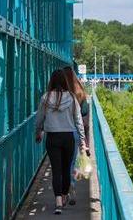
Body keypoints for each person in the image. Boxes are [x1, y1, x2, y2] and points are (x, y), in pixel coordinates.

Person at [35, 69, 89, 215]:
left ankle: (58, 201)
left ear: (51, 81)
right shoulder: (71, 98)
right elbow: (78, 120)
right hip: (68, 138)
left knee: (56, 170)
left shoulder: (45, 98)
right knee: (66, 169)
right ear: (65, 82)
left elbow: (39, 118)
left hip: (52, 137)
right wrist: (82, 140)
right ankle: (64, 195)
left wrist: (38, 132)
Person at [62, 66, 91, 205]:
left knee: (60, 164)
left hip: (60, 131)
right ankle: (71, 186)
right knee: (72, 163)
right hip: (75, 132)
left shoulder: (60, 94)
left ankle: (63, 191)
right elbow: (85, 112)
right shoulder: (79, 92)